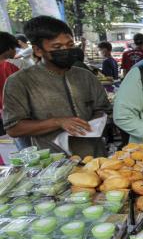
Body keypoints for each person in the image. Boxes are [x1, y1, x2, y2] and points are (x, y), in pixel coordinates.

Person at [2, 16, 112, 157]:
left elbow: (103, 109)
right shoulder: (20, 81)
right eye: (57, 47)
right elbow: (13, 128)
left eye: (70, 45)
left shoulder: (86, 76)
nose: (66, 50)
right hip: (54, 163)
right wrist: (58, 122)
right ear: (38, 50)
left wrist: (95, 123)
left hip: (96, 158)